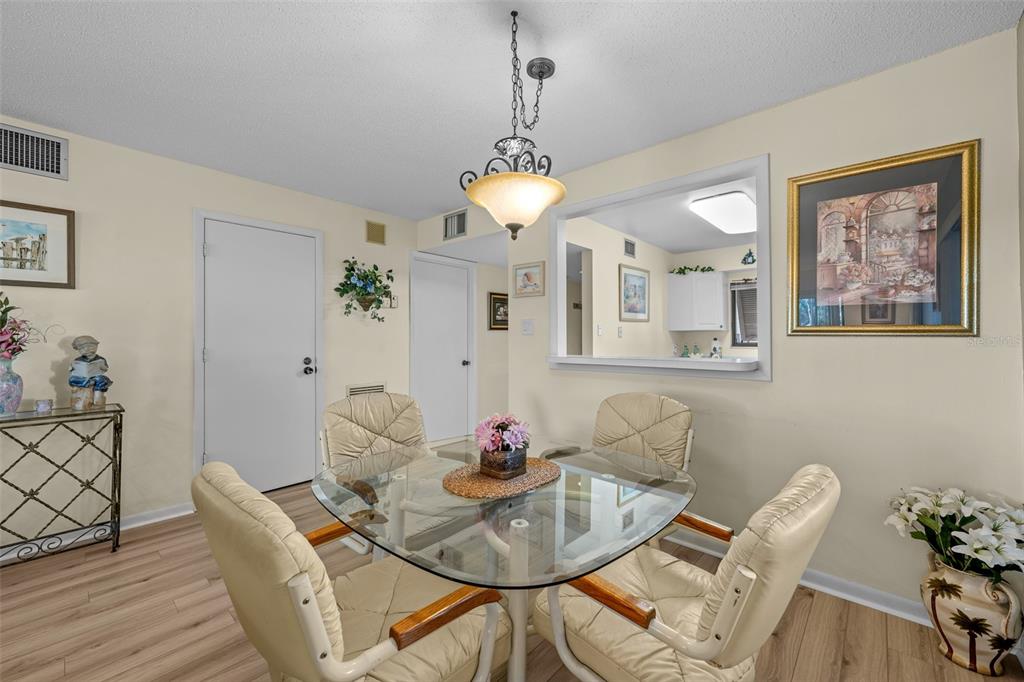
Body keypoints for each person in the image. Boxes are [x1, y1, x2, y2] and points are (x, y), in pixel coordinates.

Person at [69, 335, 112, 409]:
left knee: (102, 379)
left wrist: (102, 367)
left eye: (90, 347)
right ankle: (86, 388)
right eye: (82, 348)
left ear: (96, 346)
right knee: (72, 379)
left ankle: (98, 397)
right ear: (78, 350)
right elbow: (72, 370)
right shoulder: (77, 360)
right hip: (82, 378)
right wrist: (73, 369)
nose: (87, 350)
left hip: (95, 376)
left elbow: (105, 368)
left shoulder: (101, 359)